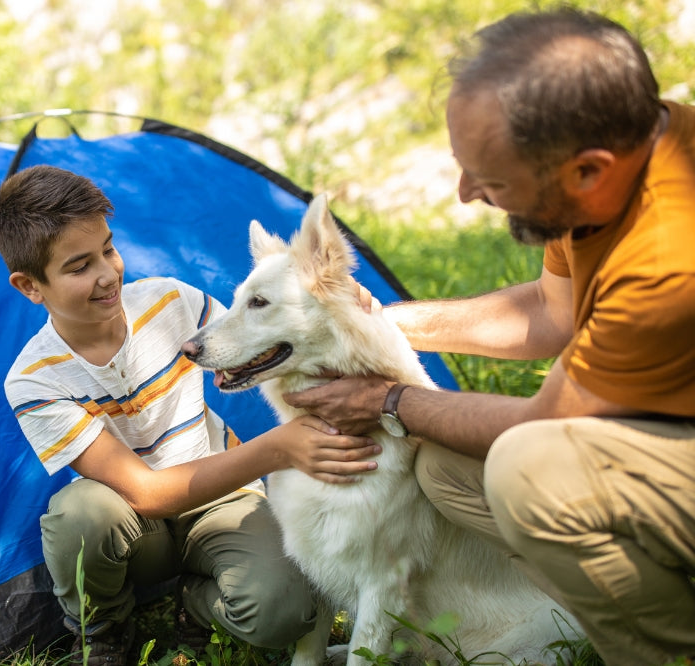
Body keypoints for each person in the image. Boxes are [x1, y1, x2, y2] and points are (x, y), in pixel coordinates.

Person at [284, 8, 695, 666]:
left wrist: (388, 400)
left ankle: (666, 650)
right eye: (463, 164)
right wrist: (380, 323)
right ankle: (564, 613)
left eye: (492, 180)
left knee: (527, 473)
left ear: (587, 170)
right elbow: (548, 309)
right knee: (444, 470)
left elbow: (546, 425)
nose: (465, 192)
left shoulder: (669, 253)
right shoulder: (621, 144)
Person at [0, 165, 376, 664]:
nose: (107, 273)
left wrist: (336, 308)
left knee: (283, 613)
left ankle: (194, 604)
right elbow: (148, 494)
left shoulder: (169, 301)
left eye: (108, 248)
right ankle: (102, 630)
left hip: (222, 499)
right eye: (80, 266)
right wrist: (279, 447)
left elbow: (262, 338)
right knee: (77, 516)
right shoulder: (34, 380)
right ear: (30, 286)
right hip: (133, 522)